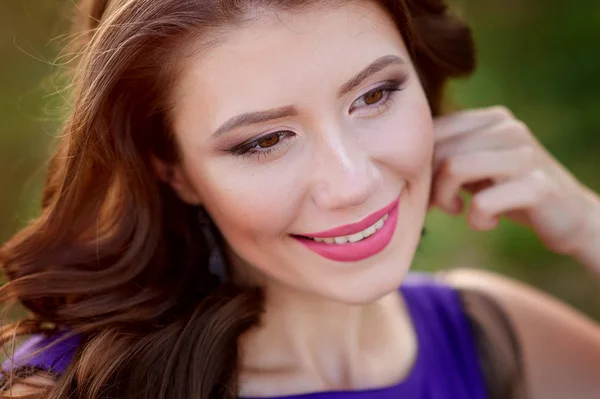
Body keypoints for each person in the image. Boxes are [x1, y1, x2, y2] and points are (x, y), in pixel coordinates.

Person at [1, 0, 599, 398]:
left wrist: (589, 228)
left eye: (375, 95)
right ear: (172, 169)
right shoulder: (66, 385)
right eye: (265, 140)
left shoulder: (494, 337)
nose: (353, 182)